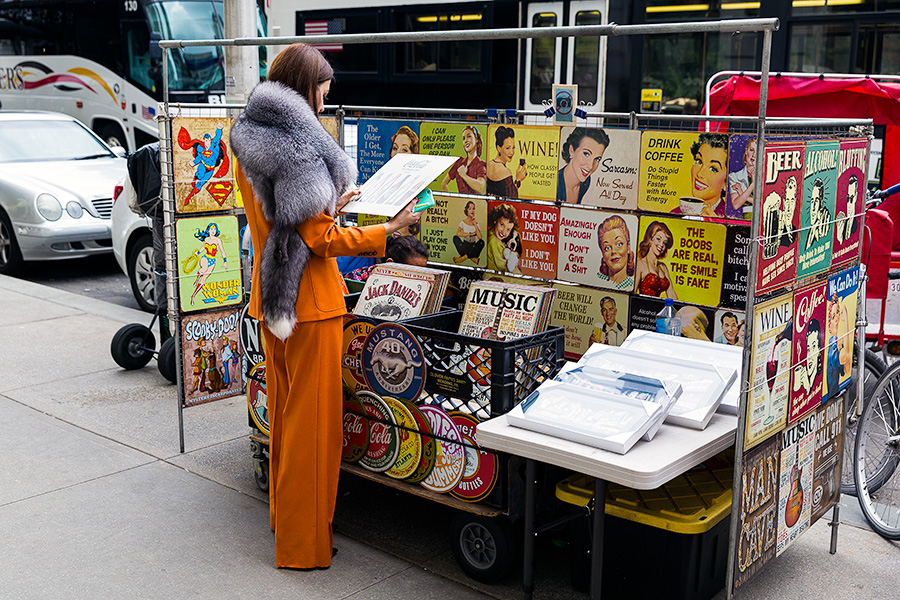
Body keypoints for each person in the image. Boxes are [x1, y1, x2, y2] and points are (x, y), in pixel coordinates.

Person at [230, 43, 421, 571]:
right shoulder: (300, 150)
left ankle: (285, 526)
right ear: (302, 88)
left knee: (287, 424)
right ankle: (301, 546)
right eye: (320, 94)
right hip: (311, 306)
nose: (322, 106)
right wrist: (389, 230)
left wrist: (329, 205)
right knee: (313, 434)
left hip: (272, 300)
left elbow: (279, 220)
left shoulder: (248, 136)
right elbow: (320, 241)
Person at [671, 133, 729, 217]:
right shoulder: (674, 213)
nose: (700, 174)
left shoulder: (729, 217)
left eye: (713, 169)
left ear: (726, 182)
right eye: (699, 161)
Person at [344, 235, 430, 283]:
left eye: (422, 271)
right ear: (390, 264)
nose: (420, 277)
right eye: (412, 271)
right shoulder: (359, 279)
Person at [557, 128, 609, 204]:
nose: (590, 166)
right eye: (586, 154)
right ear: (571, 150)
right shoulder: (555, 184)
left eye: (597, 159)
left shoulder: (585, 182)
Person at [634, 221, 678, 299]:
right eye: (658, 239)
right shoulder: (640, 264)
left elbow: (671, 294)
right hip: (643, 309)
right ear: (650, 239)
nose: (661, 245)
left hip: (659, 308)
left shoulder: (663, 267)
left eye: (664, 243)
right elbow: (633, 295)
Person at [189, 222, 227, 306]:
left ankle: (193, 296)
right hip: (205, 258)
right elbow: (203, 247)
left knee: (204, 278)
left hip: (212, 261)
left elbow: (222, 251)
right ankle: (197, 277)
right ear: (208, 231)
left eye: (214, 229)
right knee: (204, 269)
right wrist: (198, 253)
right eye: (211, 229)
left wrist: (225, 262)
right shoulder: (206, 239)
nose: (213, 231)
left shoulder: (218, 240)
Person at [442, 126, 486, 195]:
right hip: (459, 203)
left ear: (476, 139)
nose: (466, 141)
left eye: (469, 136)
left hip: (475, 204)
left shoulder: (481, 165)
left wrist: (463, 175)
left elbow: (479, 187)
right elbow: (444, 183)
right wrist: (450, 201)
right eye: (463, 138)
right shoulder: (459, 162)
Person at [596, 214, 635, 291]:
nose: (613, 251)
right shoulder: (595, 279)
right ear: (603, 254)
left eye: (619, 244)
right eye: (607, 248)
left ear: (628, 247)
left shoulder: (632, 286)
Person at [486, 126, 527, 198]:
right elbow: (512, 198)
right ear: (499, 148)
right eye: (508, 148)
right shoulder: (506, 172)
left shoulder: (488, 164)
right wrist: (518, 179)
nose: (511, 152)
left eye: (513, 147)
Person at [486, 202, 521, 273]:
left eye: (508, 229)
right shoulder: (493, 241)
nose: (503, 232)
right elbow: (506, 268)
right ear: (495, 221)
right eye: (502, 225)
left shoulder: (493, 236)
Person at [728, 136, 757, 218]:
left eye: (758, 151)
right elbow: (736, 204)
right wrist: (753, 185)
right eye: (751, 150)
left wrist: (742, 194)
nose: (754, 155)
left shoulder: (767, 176)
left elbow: (762, 203)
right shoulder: (734, 176)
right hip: (746, 218)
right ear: (746, 151)